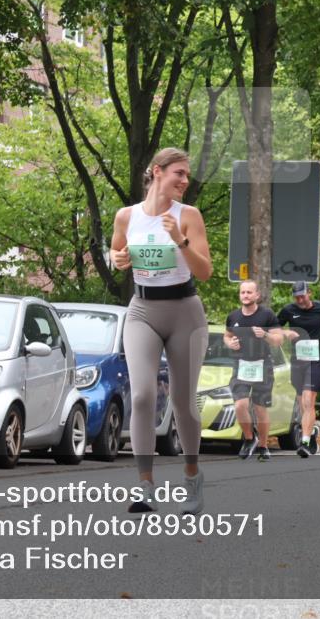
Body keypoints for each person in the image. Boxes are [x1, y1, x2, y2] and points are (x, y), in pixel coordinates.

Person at [110, 147, 212, 514]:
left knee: (183, 402)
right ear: (157, 172)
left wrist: (180, 241)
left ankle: (192, 477)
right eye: (178, 173)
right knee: (141, 396)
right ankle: (144, 485)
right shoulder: (127, 216)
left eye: (186, 174)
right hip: (142, 311)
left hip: (185, 312)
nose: (185, 180)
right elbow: (116, 253)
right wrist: (116, 259)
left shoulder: (189, 216)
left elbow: (204, 272)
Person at [224, 280, 284, 461]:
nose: (245, 295)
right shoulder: (233, 317)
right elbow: (227, 335)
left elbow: (279, 340)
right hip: (241, 365)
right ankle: (250, 438)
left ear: (257, 295)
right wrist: (230, 343)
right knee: (240, 405)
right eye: (243, 292)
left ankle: (263, 446)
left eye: (249, 292)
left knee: (260, 409)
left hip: (262, 365)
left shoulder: (267, 315)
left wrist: (265, 334)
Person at [278, 281, 320, 458]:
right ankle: (310, 433)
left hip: (316, 360)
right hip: (298, 361)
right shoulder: (288, 310)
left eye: (302, 296)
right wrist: (285, 333)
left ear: (309, 293)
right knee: (302, 403)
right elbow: (274, 328)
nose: (300, 300)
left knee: (309, 399)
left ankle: (303, 443)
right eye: (296, 297)